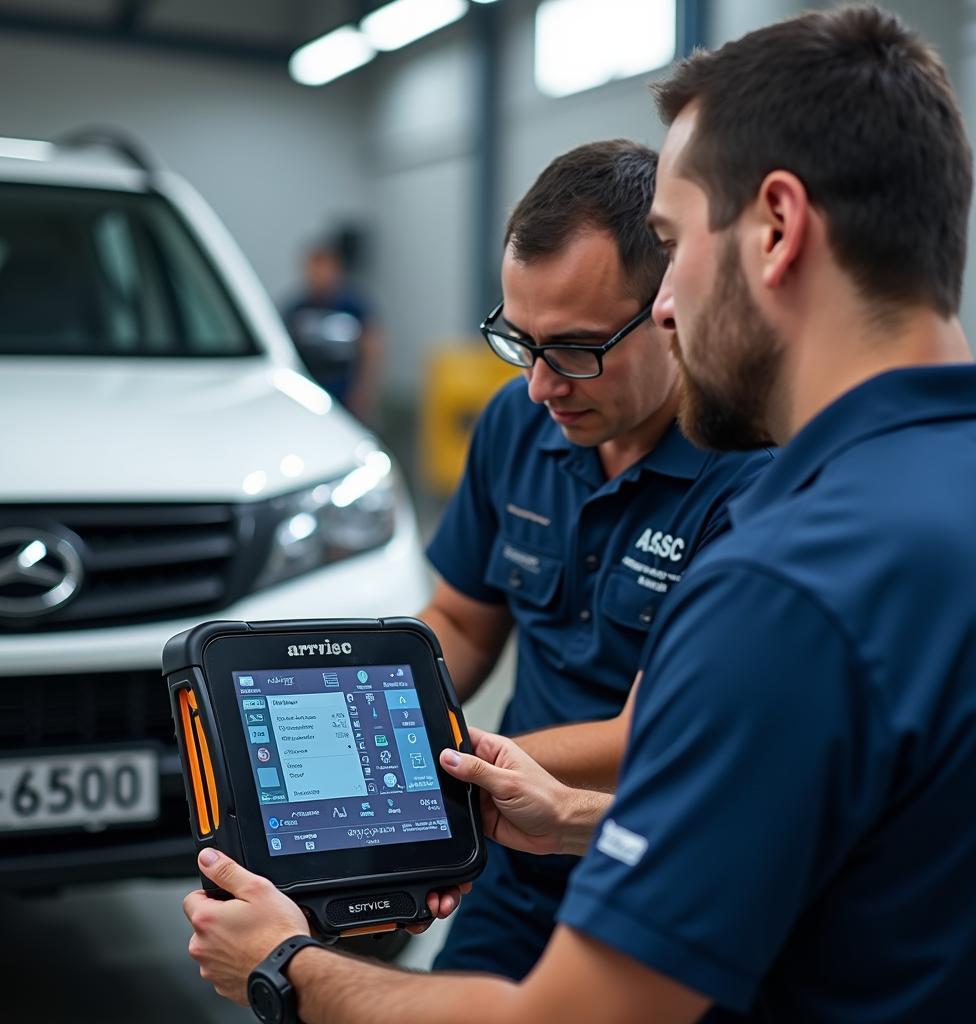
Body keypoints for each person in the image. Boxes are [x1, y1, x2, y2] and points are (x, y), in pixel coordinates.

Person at [184, 5, 976, 1021]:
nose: (671, 304)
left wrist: (285, 966)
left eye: (672, 242)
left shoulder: (784, 582)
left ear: (775, 228)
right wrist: (563, 819)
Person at [416, 139, 771, 978]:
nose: (542, 386)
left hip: (654, 857)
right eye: (519, 342)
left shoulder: (753, 476)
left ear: (672, 304)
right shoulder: (517, 421)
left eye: (575, 349)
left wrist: (438, 756)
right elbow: (464, 617)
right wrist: (376, 702)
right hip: (516, 844)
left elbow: (643, 734)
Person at [281, 242, 383, 422]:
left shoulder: (353, 307)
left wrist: (363, 391)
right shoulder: (297, 309)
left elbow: (372, 348)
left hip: (344, 393)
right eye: (313, 268)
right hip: (309, 392)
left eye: (324, 268)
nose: (318, 275)